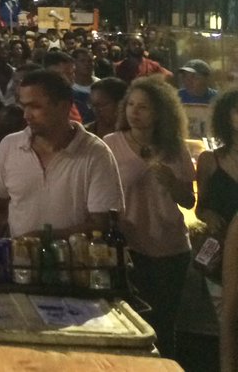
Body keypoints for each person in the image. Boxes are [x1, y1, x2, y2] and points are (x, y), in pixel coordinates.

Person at [103, 77, 194, 358]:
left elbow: (188, 200)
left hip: (171, 247)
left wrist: (172, 182)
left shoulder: (175, 147)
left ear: (160, 112)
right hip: (129, 247)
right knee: (128, 324)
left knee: (164, 324)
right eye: (130, 104)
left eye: (143, 107)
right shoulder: (110, 144)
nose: (134, 112)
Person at [0, 69, 124, 238]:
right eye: (23, 106)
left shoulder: (96, 153)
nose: (26, 115)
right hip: (21, 263)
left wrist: (42, 239)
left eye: (35, 106)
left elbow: (102, 223)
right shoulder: (10, 146)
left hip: (74, 263)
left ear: (63, 107)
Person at [195, 88, 238, 244]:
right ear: (225, 117)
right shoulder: (209, 160)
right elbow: (199, 208)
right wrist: (209, 215)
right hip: (220, 244)